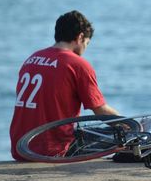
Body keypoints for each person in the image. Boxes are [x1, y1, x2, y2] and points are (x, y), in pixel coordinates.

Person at [10, 10, 119, 161]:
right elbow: (100, 110)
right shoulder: (77, 64)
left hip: (21, 147)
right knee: (123, 137)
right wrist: (129, 126)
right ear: (80, 37)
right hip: (52, 150)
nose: (85, 49)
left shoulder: (31, 59)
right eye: (87, 43)